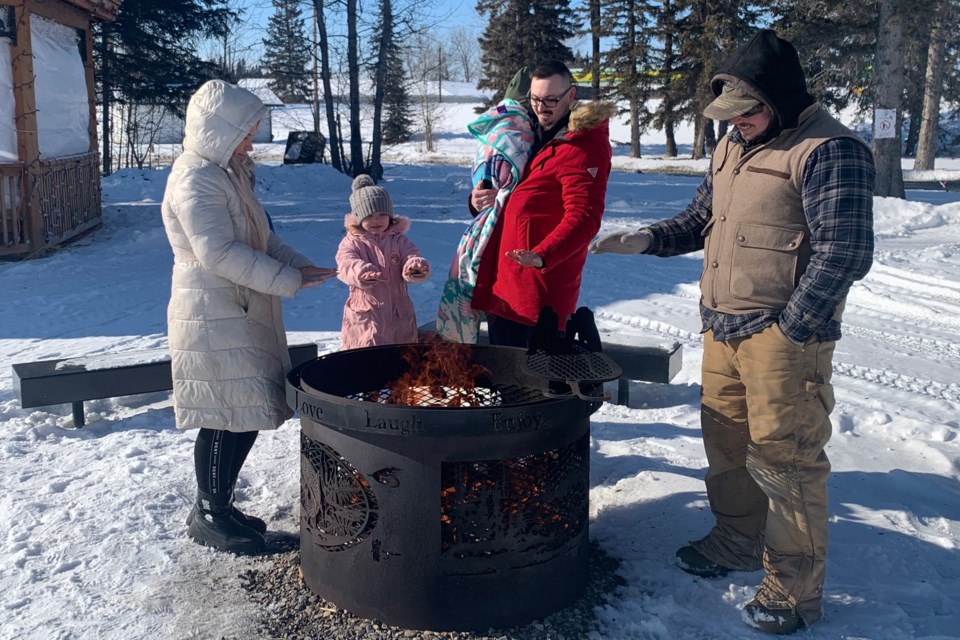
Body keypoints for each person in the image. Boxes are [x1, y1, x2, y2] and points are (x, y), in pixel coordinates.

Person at [590, 30, 875, 634]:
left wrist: (791, 329)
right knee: (726, 447)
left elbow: (844, 252)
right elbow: (701, 219)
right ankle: (737, 541)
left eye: (747, 111)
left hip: (783, 339)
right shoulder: (733, 144)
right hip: (721, 330)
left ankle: (794, 591)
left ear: (781, 98)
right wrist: (647, 239)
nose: (736, 123)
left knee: (785, 464)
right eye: (730, 114)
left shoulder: (830, 149)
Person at [161, 79, 337, 555]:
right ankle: (212, 516)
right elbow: (217, 252)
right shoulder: (195, 177)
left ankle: (217, 504)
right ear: (219, 128)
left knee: (243, 409)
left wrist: (298, 265)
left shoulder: (227, 171)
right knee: (224, 416)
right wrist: (285, 280)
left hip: (236, 309)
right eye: (245, 130)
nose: (251, 140)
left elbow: (260, 236)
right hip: (213, 312)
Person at [469, 59, 615, 347]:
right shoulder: (526, 135)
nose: (541, 107)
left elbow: (585, 216)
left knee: (537, 388)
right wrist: (477, 200)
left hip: (539, 294)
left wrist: (542, 255)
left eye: (551, 99)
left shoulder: (583, 146)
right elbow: (505, 191)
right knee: (505, 384)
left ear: (571, 95)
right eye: (535, 99)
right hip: (504, 285)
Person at [435, 66, 535, 343]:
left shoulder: (545, 135)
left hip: (535, 252)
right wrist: (476, 199)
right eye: (535, 101)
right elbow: (491, 185)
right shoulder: (517, 134)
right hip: (501, 248)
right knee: (507, 338)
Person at [336, 175, 430, 350]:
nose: (376, 220)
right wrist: (361, 271)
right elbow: (345, 263)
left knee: (401, 358)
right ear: (358, 217)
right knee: (367, 359)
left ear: (390, 215)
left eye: (381, 214)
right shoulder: (352, 242)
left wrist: (414, 267)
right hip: (367, 319)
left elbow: (411, 255)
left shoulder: (399, 241)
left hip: (399, 317)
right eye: (369, 215)